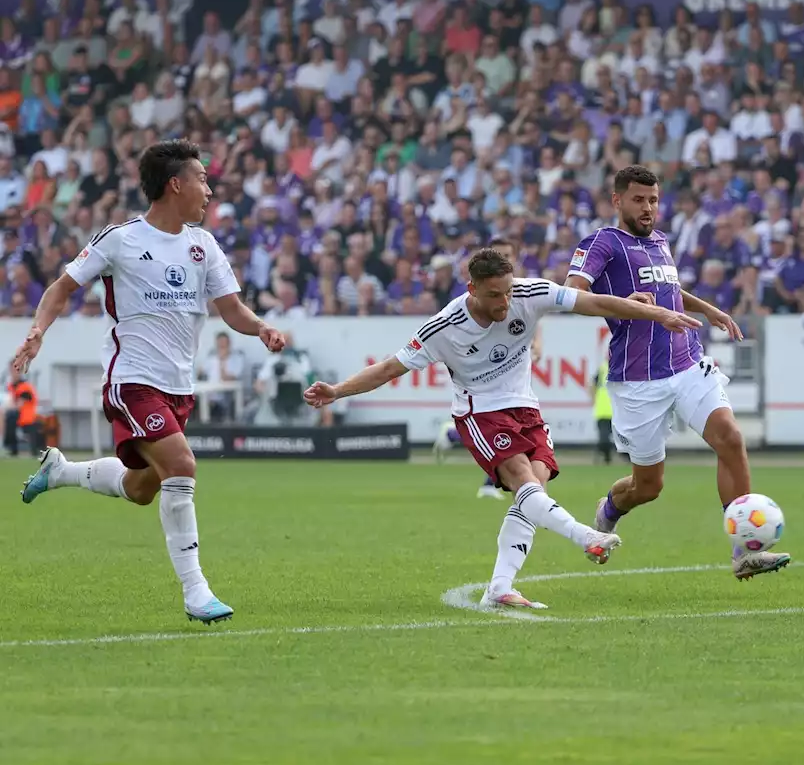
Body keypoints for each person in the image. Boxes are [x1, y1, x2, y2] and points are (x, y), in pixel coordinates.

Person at [303, 247, 701, 609]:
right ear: (471, 288)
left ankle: (500, 586)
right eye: (494, 295)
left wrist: (650, 311)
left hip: (526, 409)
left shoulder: (530, 294)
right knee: (524, 481)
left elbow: (591, 301)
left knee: (533, 493)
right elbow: (390, 367)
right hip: (479, 411)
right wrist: (337, 391)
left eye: (508, 292)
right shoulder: (444, 326)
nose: (505, 302)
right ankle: (586, 536)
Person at [15, 139, 286, 625]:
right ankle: (196, 591)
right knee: (182, 465)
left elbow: (231, 310)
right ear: (175, 184)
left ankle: (61, 472)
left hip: (178, 387)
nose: (209, 189)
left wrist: (260, 326)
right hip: (131, 380)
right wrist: (37, 331)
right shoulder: (121, 239)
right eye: (202, 179)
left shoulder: (204, 246)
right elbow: (61, 288)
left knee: (143, 489)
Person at [565, 165, 790, 581]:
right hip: (638, 378)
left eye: (653, 200)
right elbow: (572, 293)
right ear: (617, 201)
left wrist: (707, 308)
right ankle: (609, 509)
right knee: (648, 486)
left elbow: (670, 290)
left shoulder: (661, 241)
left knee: (731, 438)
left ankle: (743, 551)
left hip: (685, 362)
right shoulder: (602, 242)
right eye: (638, 200)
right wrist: (625, 300)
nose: (648, 208)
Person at [433, 237, 537, 500]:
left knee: (510, 431)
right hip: (486, 374)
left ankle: (497, 483)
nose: (504, 260)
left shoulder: (521, 291)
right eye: (499, 254)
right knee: (500, 428)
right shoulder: (476, 297)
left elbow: (535, 321)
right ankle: (498, 485)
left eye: (508, 255)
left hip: (516, 371)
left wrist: (537, 346)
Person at [4, 370, 40, 457]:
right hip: (18, 414)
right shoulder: (12, 386)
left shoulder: (25, 387)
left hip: (27, 415)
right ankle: (13, 449)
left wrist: (7, 408)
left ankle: (33, 451)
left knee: (12, 420)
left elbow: (20, 403)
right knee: (10, 423)